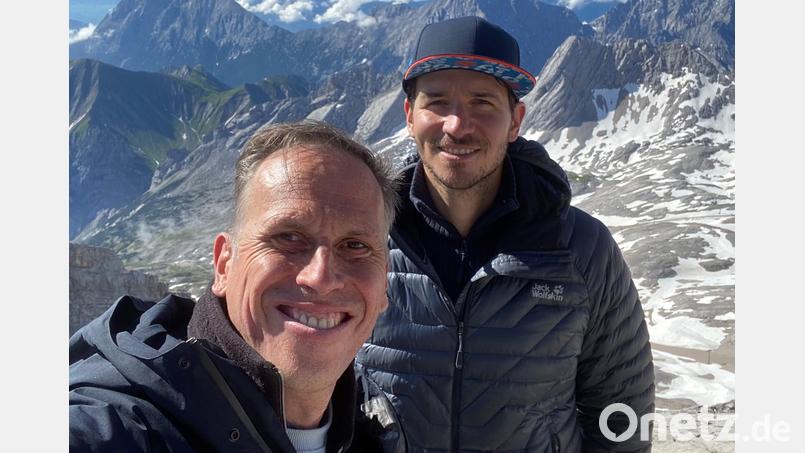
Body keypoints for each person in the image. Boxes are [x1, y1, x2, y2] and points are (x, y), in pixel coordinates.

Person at [356, 16, 654, 452]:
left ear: (515, 122)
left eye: (482, 103)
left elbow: (623, 414)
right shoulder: (361, 239)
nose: (457, 126)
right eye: (437, 102)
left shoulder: (582, 249)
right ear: (409, 116)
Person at [69, 121, 405, 452]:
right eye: (288, 238)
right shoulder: (117, 427)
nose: (320, 277)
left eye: (355, 246)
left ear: (384, 283)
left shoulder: (373, 429)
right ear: (224, 264)